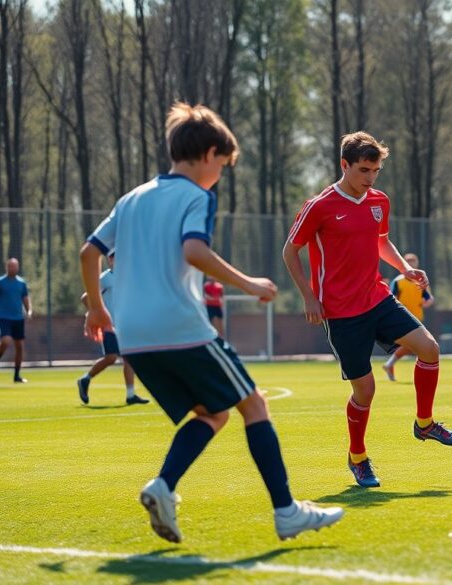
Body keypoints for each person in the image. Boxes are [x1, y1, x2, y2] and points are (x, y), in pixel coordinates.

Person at [81, 102, 342, 543]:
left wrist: (96, 309)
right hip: (180, 326)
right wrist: (251, 283)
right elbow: (194, 252)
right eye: (222, 163)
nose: (221, 172)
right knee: (254, 404)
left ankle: (162, 487)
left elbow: (89, 252)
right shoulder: (197, 196)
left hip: (134, 337)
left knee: (213, 412)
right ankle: (286, 512)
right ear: (208, 154)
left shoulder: (131, 199)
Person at [283, 131, 452, 489]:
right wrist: (308, 296)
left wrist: (404, 269)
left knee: (429, 349)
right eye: (364, 170)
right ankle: (358, 458)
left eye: (376, 170)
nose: (370, 178)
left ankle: (425, 424)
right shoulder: (318, 206)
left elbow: (381, 241)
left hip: (377, 298)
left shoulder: (379, 200)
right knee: (365, 392)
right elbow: (290, 251)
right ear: (344, 165)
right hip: (339, 312)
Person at [76, 252, 150, 406]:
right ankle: (85, 379)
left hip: (125, 326)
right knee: (111, 357)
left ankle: (130, 395)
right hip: (109, 325)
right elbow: (85, 297)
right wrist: (94, 314)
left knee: (129, 358)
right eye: (113, 257)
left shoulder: (128, 277)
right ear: (109, 260)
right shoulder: (105, 278)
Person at [382, 252, 435, 382]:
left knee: (414, 346)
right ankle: (391, 365)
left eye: (413, 261)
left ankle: (389, 365)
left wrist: (427, 300)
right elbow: (391, 298)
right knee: (417, 346)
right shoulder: (398, 281)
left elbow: (428, 299)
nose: (411, 263)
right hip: (401, 319)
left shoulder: (420, 281)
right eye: (408, 261)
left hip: (417, 317)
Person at [0, 257, 31, 383]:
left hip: (18, 318)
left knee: (19, 346)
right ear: (6, 267)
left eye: (14, 266)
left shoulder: (21, 283)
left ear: (18, 267)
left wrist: (28, 310)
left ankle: (17, 376)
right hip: (4, 317)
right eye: (10, 266)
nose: (12, 268)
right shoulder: (0, 282)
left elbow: (25, 298)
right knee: (6, 341)